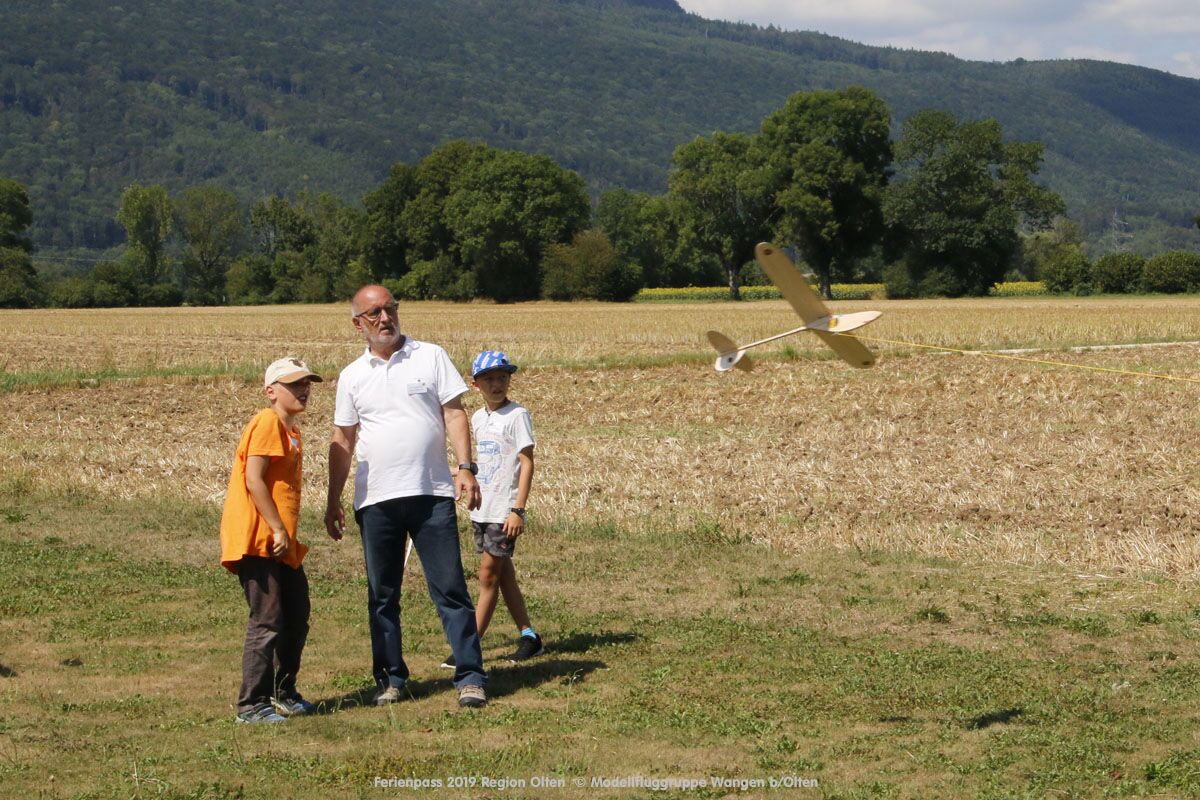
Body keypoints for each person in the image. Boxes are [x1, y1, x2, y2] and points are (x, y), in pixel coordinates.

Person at [325, 285, 488, 709]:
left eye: (390, 309)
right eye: (374, 313)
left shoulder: (430, 356)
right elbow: (343, 440)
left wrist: (466, 468)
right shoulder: (352, 375)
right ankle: (390, 679)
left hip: (431, 494)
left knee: (450, 588)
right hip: (376, 500)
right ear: (358, 324)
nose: (385, 318)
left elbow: (454, 412)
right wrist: (332, 499)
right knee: (382, 596)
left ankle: (471, 677)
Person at [219, 357, 323, 724]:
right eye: (294, 384)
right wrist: (277, 527)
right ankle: (251, 705)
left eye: (306, 383)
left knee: (296, 614)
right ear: (271, 391)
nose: (303, 390)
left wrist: (284, 533)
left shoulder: (291, 430)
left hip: (281, 541)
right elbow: (254, 479)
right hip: (259, 537)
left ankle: (282, 691)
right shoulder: (267, 422)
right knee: (267, 619)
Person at [442, 351, 543, 670]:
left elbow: (527, 463)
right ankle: (529, 636)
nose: (497, 384)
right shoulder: (477, 418)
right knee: (503, 575)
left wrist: (518, 510)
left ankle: (468, 646)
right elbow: (484, 461)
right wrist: (461, 475)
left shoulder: (517, 415)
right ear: (475, 385)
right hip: (482, 509)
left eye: (502, 377)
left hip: (504, 511)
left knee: (487, 575)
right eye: (489, 380)